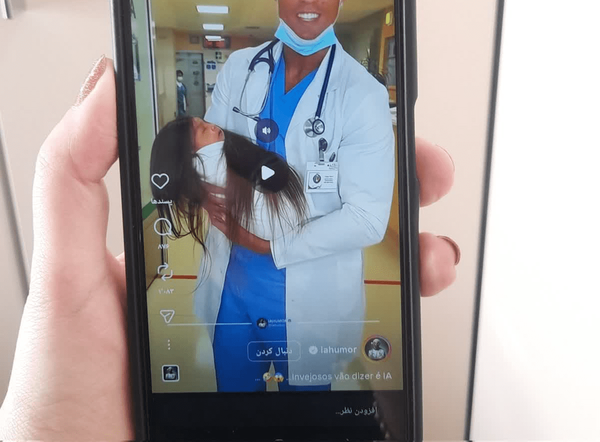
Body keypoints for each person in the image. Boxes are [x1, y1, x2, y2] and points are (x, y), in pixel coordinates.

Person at [0, 56, 458, 440]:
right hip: (238, 302)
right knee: (259, 404)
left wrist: (253, 233)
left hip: (289, 304)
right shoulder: (229, 154)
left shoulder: (281, 149)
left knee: (290, 406)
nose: (207, 124)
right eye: (197, 129)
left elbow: (314, 219)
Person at [195, 0, 447, 392]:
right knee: (234, 410)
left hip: (309, 299)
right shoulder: (239, 70)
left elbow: (367, 219)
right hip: (231, 288)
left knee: (308, 416)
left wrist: (269, 246)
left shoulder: (363, 96)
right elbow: (208, 155)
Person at [149, 116, 307, 254]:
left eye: (205, 122)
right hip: (292, 227)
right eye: (203, 130)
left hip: (287, 229)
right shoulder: (209, 165)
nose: (212, 126)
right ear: (187, 152)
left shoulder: (205, 174)